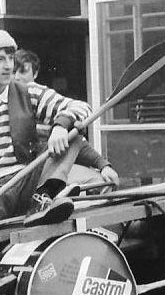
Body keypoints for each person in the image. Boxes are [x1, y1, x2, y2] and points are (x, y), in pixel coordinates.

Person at [0, 29, 92, 295]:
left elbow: (81, 107)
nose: (9, 65)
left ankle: (43, 199)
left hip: (28, 181)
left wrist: (61, 124)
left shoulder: (28, 93)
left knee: (73, 136)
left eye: (10, 57)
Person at [13, 48, 119, 189]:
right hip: (19, 176)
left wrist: (103, 165)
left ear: (35, 73)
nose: (17, 77)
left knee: (101, 182)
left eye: (23, 71)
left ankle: (55, 195)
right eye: (13, 72)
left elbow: (75, 139)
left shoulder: (44, 101)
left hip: (51, 170)